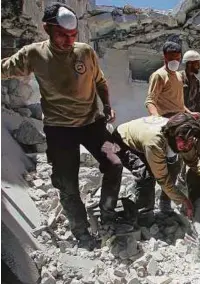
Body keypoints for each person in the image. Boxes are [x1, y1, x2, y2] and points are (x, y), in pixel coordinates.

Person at [1, 3, 122, 250]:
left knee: (115, 164)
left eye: (73, 35)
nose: (68, 41)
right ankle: (81, 232)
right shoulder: (33, 54)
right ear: (47, 29)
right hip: (59, 129)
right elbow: (4, 69)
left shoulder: (85, 52)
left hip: (91, 122)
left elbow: (100, 81)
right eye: (62, 35)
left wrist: (107, 105)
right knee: (67, 183)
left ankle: (108, 213)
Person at [111, 113, 200, 219]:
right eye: (184, 141)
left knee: (175, 164)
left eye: (191, 140)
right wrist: (184, 201)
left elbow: (192, 161)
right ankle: (144, 214)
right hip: (122, 141)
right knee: (146, 175)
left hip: (146, 141)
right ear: (172, 135)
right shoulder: (155, 142)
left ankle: (164, 203)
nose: (187, 145)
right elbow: (163, 179)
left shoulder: (183, 135)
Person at [145, 41, 200, 121]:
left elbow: (179, 103)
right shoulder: (159, 75)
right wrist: (156, 118)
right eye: (171, 59)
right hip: (166, 119)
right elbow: (150, 101)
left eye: (177, 59)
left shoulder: (178, 76)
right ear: (164, 57)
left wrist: (190, 113)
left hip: (180, 118)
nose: (175, 61)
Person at [181, 50, 200, 114]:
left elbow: (197, 100)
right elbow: (176, 100)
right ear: (189, 64)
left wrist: (199, 113)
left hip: (191, 115)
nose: (199, 67)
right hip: (180, 115)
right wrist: (188, 112)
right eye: (197, 64)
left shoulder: (196, 81)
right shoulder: (179, 78)